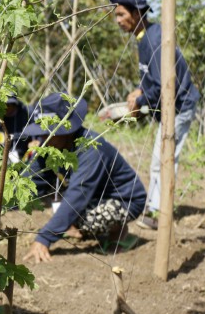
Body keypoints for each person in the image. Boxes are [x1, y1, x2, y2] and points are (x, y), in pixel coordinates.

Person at [109, 0, 200, 230]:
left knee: (165, 160)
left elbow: (164, 85)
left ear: (137, 13)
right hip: (168, 108)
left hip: (179, 106)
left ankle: (160, 213)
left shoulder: (155, 39)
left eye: (120, 15)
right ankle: (154, 208)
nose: (117, 21)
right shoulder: (145, 36)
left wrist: (139, 103)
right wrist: (140, 91)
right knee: (157, 160)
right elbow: (152, 76)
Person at [22, 93, 147, 263]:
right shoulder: (52, 145)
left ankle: (118, 231)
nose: (42, 138)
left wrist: (44, 238)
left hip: (125, 200)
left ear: (66, 129)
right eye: (41, 133)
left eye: (48, 133)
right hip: (95, 195)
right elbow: (32, 180)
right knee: (64, 213)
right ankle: (77, 224)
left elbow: (77, 197)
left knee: (83, 219)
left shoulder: (90, 149)